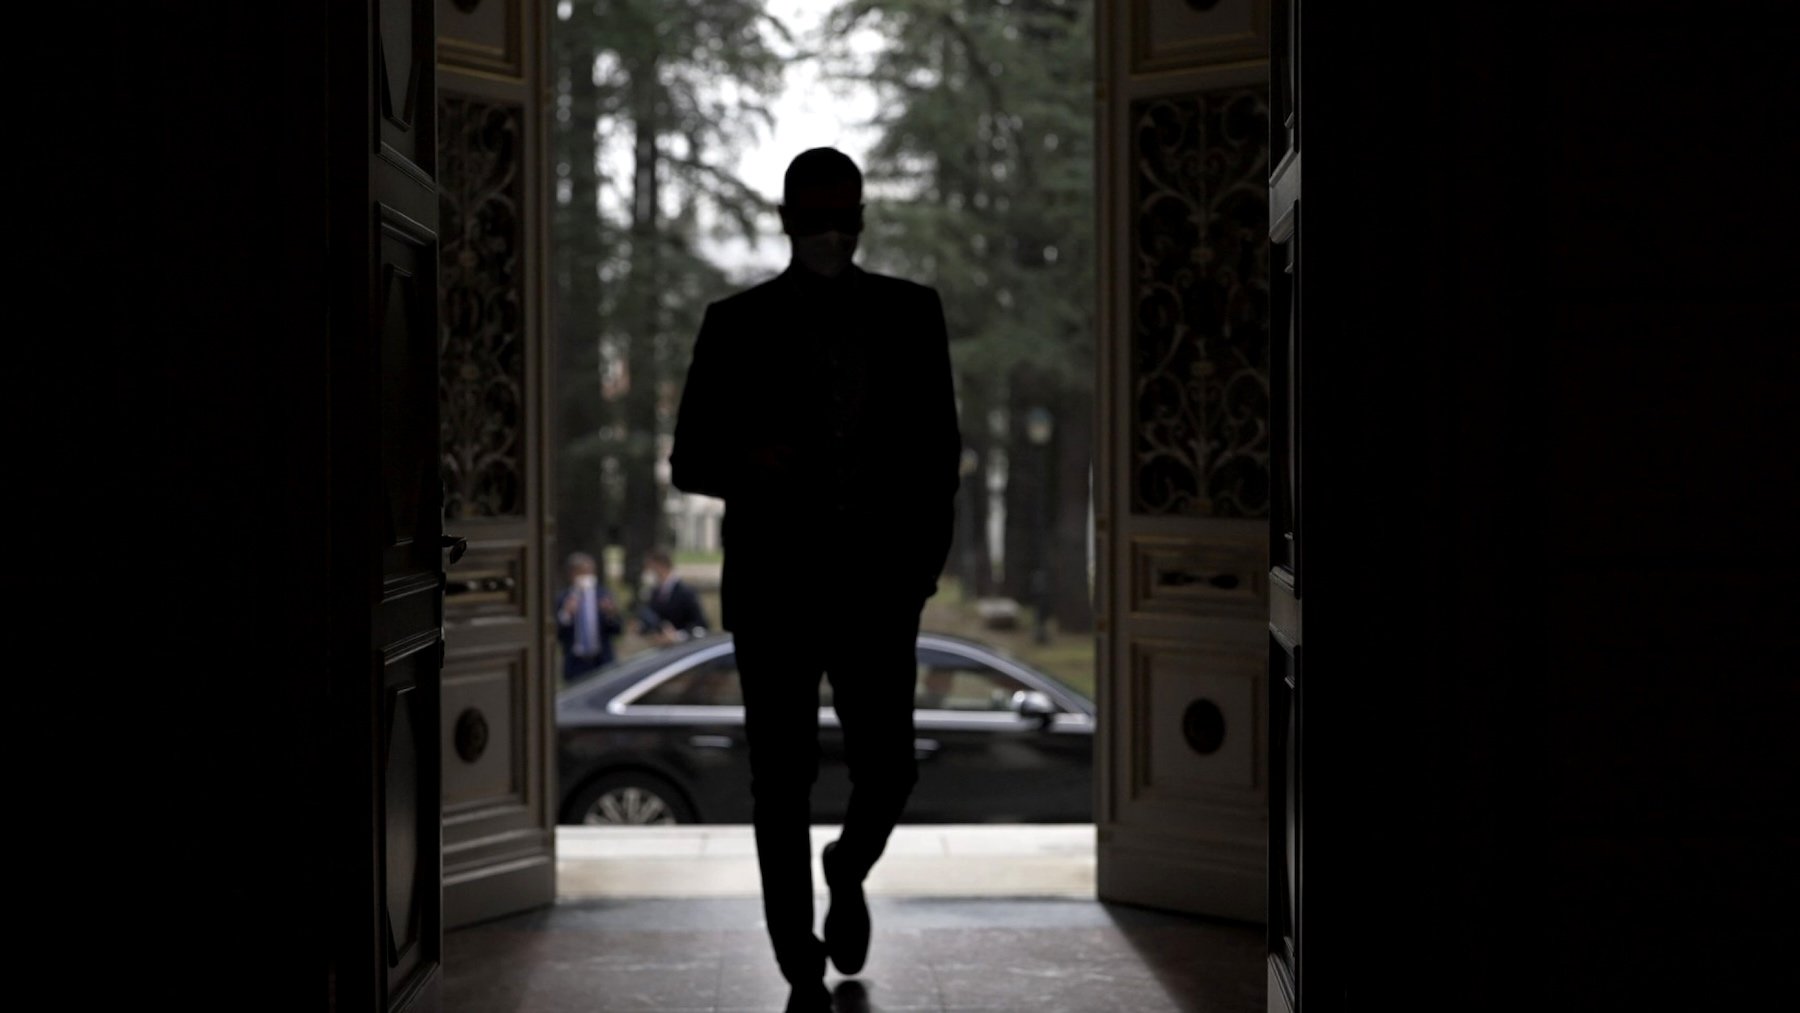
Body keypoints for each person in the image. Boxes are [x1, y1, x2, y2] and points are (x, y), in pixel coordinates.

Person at [670, 147, 962, 1013]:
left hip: (880, 590)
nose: (833, 232)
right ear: (786, 217)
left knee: (891, 769)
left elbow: (942, 455)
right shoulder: (735, 324)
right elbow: (688, 459)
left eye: (847, 214)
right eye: (816, 215)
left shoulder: (914, 315)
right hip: (776, 592)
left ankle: (847, 864)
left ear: (864, 216)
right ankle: (792, 946)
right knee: (779, 779)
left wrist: (919, 572)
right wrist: (748, 461)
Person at [554, 551, 621, 680]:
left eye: (590, 572)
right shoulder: (563, 599)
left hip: (602, 661)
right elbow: (556, 634)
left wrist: (611, 614)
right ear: (573, 574)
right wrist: (566, 614)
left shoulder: (603, 595)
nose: (587, 577)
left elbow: (618, 630)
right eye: (583, 572)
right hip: (576, 664)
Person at [632, 548, 710, 645]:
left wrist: (677, 636)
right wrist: (641, 627)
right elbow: (656, 619)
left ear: (661, 566)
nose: (648, 572)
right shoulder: (655, 592)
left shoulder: (685, 593)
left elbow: (701, 626)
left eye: (650, 568)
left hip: (683, 651)